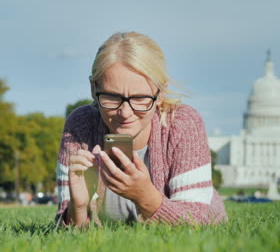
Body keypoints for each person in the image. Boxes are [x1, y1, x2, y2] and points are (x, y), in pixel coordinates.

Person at [55, 32, 227, 227]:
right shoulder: (81, 125)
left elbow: (199, 221)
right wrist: (77, 208)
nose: (125, 112)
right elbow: (67, 235)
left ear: (160, 93)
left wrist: (146, 197)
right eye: (112, 97)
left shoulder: (183, 124)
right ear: (93, 90)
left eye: (139, 98)